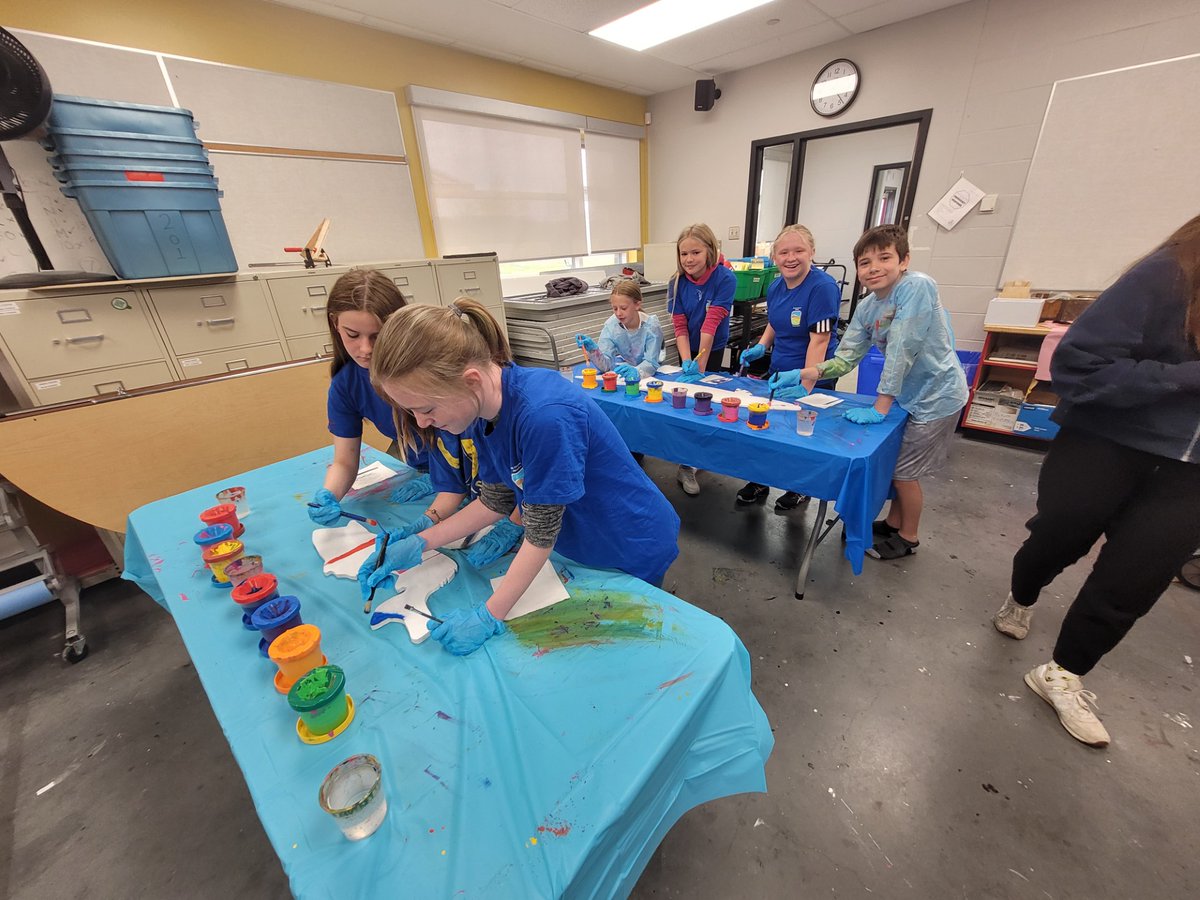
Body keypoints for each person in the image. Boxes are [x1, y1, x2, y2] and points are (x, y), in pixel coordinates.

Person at [358, 298, 681, 656]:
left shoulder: (544, 416)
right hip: (587, 543)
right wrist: (422, 542)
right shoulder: (483, 411)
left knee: (632, 646)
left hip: (628, 542)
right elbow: (498, 498)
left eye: (427, 409)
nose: (420, 423)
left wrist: (489, 614)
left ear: (470, 380)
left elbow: (541, 532)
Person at [992, 214, 1200, 748]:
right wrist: (1183, 377)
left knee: (1135, 577)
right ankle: (1023, 592)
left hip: (1191, 471)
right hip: (1109, 441)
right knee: (1058, 536)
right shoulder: (1167, 275)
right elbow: (1078, 366)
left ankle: (1063, 672)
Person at [770, 224, 967, 559]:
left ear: (904, 260)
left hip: (936, 395)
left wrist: (881, 405)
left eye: (884, 258)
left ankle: (909, 537)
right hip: (908, 396)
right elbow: (845, 358)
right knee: (896, 465)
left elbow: (903, 348)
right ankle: (892, 522)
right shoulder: (867, 307)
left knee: (906, 472)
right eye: (864, 262)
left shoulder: (916, 287)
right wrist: (804, 373)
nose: (873, 267)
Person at [306, 269, 432, 528]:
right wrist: (329, 495)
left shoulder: (431, 364)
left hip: (477, 470)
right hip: (420, 465)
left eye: (378, 336)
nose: (366, 350)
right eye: (353, 335)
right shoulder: (347, 383)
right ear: (334, 324)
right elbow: (344, 460)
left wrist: (449, 478)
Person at [735, 225, 841, 511]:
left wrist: (805, 386)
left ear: (812, 253)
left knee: (802, 434)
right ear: (775, 257)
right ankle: (759, 479)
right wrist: (761, 345)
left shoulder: (823, 288)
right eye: (783, 252)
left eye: (799, 251)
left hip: (814, 376)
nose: (790, 258)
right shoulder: (776, 286)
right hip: (780, 370)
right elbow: (775, 321)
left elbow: (820, 340)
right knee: (765, 426)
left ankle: (800, 487)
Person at [668, 223, 737, 496]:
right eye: (683, 254)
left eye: (695, 252)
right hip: (688, 345)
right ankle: (685, 463)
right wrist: (687, 361)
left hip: (712, 346)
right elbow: (679, 325)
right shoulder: (677, 281)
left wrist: (700, 365)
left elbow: (711, 324)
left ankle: (703, 455)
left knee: (706, 400)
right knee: (685, 401)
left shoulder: (725, 278)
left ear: (710, 250)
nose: (688, 260)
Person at [574, 279, 664, 382]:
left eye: (623, 308)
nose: (618, 313)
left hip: (652, 376)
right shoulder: (611, 326)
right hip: (627, 373)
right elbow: (605, 367)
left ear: (637, 305)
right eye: (614, 308)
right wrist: (594, 351)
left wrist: (637, 372)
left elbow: (651, 363)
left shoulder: (651, 327)